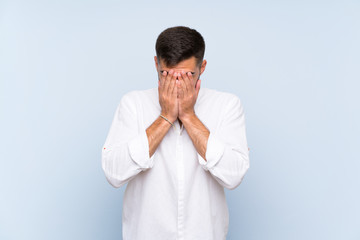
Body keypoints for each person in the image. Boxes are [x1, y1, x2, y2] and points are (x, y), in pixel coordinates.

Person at [101, 26, 250, 240]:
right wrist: (166, 117)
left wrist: (189, 116)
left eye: (188, 75)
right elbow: (114, 173)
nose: (177, 84)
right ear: (156, 64)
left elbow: (234, 175)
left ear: (203, 67)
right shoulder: (133, 104)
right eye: (166, 74)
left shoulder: (227, 105)